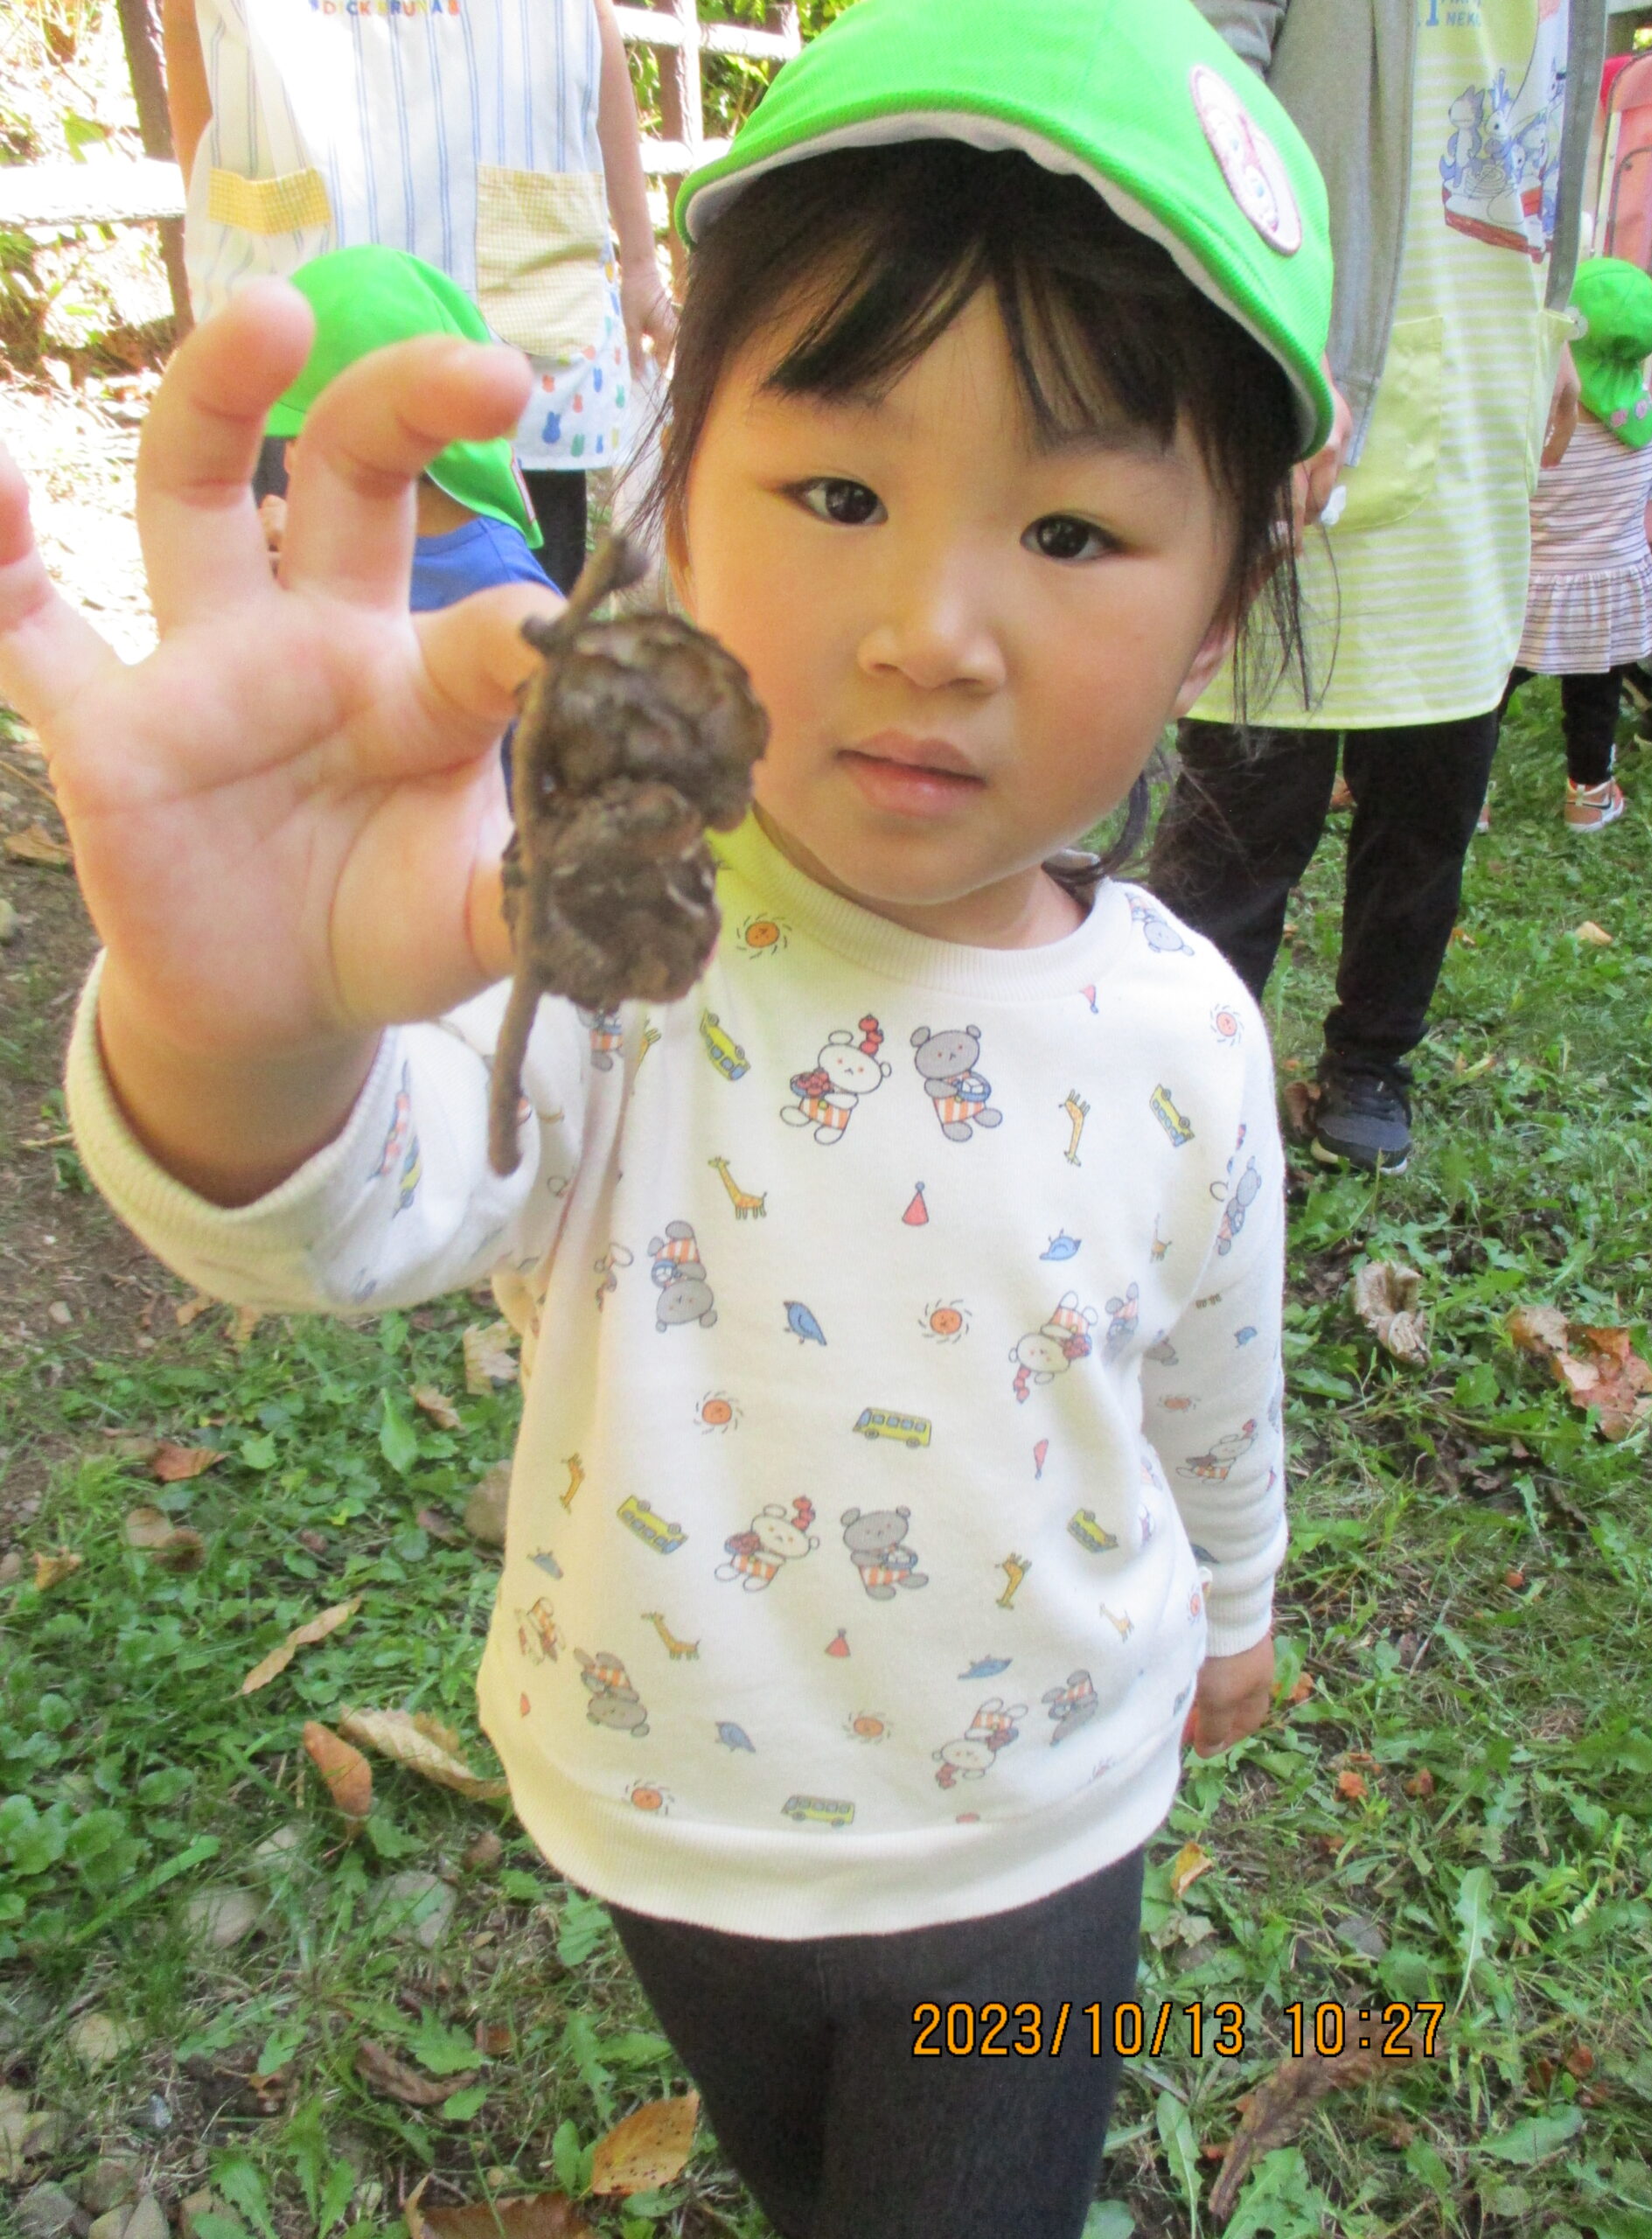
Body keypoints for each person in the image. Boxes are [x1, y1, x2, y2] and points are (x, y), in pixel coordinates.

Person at [0, 0, 1335, 2228]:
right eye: (834, 489)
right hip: (656, 1810)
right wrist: (241, 1031)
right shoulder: (617, 935)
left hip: (1033, 1837)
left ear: (1222, 607)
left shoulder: (1183, 1030)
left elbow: (1213, 1353)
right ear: (673, 506)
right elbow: (364, 1199)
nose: (931, 625)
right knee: (802, 2173)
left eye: (1078, 529)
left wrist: (1241, 1593)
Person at [1151, 0, 1605, 1175]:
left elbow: (1544, 131)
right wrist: (1254, 335)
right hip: (1306, 383)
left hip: (1480, 401)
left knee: (1434, 792)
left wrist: (1555, 319)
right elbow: (1199, 67)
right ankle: (1197, 1087)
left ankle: (1370, 1063)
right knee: (1244, 804)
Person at [158, 0, 674, 592]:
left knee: (520, 621)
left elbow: (590, 20)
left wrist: (639, 266)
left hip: (511, 313)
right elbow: (188, 22)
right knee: (303, 623)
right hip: (306, 310)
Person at [257, 245, 554, 618]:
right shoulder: (355, 539)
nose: (288, 463)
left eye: (298, 439)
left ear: (397, 438)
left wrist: (322, 568)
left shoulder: (501, 583)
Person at [1500, 257, 1652, 834]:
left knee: (1487, 690)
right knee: (1595, 697)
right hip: (1608, 589)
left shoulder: (1537, 423)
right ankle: (1589, 796)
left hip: (1531, 585)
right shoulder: (1645, 430)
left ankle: (1463, 797)